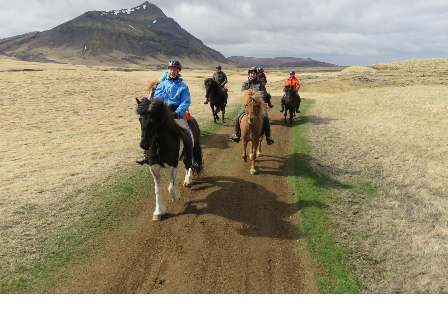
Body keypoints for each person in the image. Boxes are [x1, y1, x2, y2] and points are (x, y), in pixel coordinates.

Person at [136, 59, 199, 170]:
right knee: (150, 129)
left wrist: (177, 113)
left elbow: (185, 102)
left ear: (178, 71)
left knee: (189, 134)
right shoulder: (162, 85)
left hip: (177, 113)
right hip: (163, 113)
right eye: (171, 70)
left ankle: (190, 160)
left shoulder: (183, 87)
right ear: (168, 71)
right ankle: (146, 155)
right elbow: (158, 99)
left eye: (175, 70)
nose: (172, 72)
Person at [229, 67, 275, 146]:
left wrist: (256, 101)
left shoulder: (260, 84)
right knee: (237, 118)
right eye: (250, 73)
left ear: (256, 74)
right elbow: (243, 94)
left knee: (266, 119)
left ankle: (268, 137)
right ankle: (237, 135)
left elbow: (263, 95)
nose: (252, 75)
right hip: (248, 105)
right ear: (249, 74)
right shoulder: (245, 84)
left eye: (253, 73)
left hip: (258, 105)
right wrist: (249, 100)